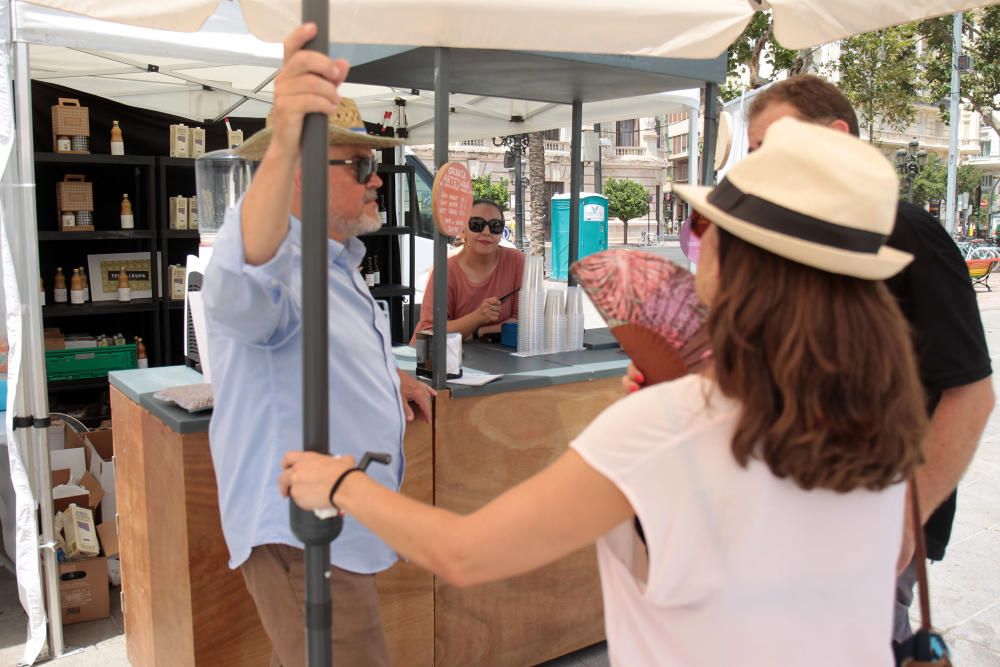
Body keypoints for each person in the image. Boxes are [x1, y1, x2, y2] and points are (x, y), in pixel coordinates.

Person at [281, 118, 929, 666]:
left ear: (737, 264)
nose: (692, 250)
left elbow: (465, 551)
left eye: (703, 232)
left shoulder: (673, 425)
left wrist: (341, 485)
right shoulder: (883, 423)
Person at [629, 75, 994, 646]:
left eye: (765, 147)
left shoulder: (906, 234)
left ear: (836, 136)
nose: (750, 166)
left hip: (865, 517)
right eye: (748, 152)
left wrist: (905, 521)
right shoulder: (784, 239)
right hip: (777, 513)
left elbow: (970, 393)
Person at [202, 24, 435, 667]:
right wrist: (283, 140)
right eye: (359, 165)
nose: (377, 180)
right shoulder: (277, 259)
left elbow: (324, 352)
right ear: (302, 173)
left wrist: (392, 379)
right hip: (304, 530)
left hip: (334, 524)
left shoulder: (332, 262)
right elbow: (238, 292)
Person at [412, 199, 524, 341]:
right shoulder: (444, 268)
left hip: (495, 356)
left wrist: (479, 332)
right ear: (463, 228)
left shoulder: (517, 261)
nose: (486, 232)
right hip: (437, 358)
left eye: (495, 226)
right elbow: (430, 331)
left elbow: (524, 321)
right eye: (476, 224)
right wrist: (476, 318)